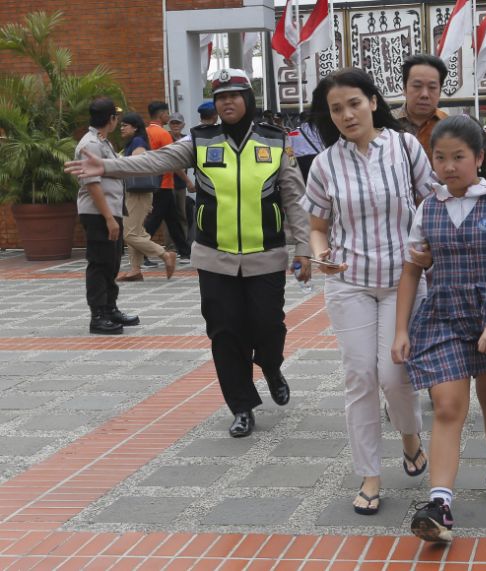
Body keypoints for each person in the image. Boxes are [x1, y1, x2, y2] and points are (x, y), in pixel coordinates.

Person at [65, 69, 312, 438]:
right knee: (225, 332)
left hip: (266, 255)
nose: (227, 102)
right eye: (220, 96)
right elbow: (154, 161)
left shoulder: (276, 141)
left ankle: (272, 367)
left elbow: (294, 196)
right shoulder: (200, 140)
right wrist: (108, 167)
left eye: (234, 94)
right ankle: (242, 405)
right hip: (214, 257)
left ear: (248, 97)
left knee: (268, 326)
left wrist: (305, 248)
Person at [392, 115, 486, 543]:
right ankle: (440, 505)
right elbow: (413, 271)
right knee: (449, 407)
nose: (449, 166)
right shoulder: (427, 207)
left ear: (478, 158)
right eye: (440, 157)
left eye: (458, 157)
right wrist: (401, 330)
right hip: (443, 317)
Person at [301, 68, 433, 517]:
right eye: (336, 109)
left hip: (404, 282)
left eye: (354, 103)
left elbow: (431, 202)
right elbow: (317, 228)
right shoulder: (324, 164)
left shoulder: (405, 148)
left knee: (395, 376)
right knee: (360, 376)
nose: (346, 114)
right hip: (349, 283)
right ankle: (370, 475)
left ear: (373, 102)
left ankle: (411, 436)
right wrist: (321, 255)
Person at [74, 98, 140, 334]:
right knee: (100, 264)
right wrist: (109, 218)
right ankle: (98, 315)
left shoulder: (102, 142)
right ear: (110, 119)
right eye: (116, 117)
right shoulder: (90, 144)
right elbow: (92, 184)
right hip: (98, 213)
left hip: (110, 211)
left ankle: (110, 308)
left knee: (111, 263)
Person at [116, 112, 177, 282]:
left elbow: (137, 166)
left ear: (135, 128)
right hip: (134, 192)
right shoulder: (133, 142)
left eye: (125, 125)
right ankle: (135, 269)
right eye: (121, 125)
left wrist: (117, 163)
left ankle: (165, 255)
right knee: (135, 231)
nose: (121, 128)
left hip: (139, 193)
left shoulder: (138, 142)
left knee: (129, 234)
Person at [143, 101, 191, 265]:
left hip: (154, 183)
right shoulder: (163, 135)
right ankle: (141, 251)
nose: (168, 117)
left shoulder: (144, 132)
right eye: (167, 113)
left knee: (173, 220)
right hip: (163, 184)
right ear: (161, 114)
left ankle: (185, 252)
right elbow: (174, 162)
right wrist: (188, 181)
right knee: (154, 220)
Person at [393, 54, 449, 162]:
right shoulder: (386, 124)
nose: (424, 94)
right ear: (404, 89)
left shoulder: (450, 126)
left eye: (432, 87)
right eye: (417, 86)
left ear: (440, 91)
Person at [166, 112, 194, 245]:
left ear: (183, 125)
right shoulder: (166, 138)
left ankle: (184, 242)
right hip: (168, 182)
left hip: (181, 184)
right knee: (168, 215)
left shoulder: (187, 139)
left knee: (182, 214)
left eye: (178, 123)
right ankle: (170, 244)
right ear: (169, 124)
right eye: (173, 123)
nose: (175, 125)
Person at [288, 110, 324, 182]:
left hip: (300, 163)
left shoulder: (293, 133)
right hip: (317, 160)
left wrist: (292, 164)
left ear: (300, 120)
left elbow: (288, 148)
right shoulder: (318, 131)